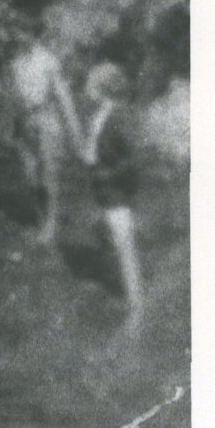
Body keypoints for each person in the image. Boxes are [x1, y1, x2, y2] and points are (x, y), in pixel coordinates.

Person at [77, 62, 146, 329]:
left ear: (102, 88)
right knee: (114, 240)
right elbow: (97, 147)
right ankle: (125, 291)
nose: (86, 89)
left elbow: (132, 160)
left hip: (116, 192)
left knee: (124, 247)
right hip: (105, 191)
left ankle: (136, 306)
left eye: (90, 85)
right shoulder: (101, 114)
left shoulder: (117, 116)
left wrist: (108, 175)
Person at [7, 13, 82, 244]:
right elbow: (15, 98)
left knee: (48, 175)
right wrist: (14, 127)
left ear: (34, 35)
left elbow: (63, 96)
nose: (18, 36)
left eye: (23, 32)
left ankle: (50, 225)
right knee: (30, 176)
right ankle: (41, 220)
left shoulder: (48, 61)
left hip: (46, 120)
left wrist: (74, 129)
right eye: (16, 32)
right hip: (24, 122)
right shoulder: (16, 63)